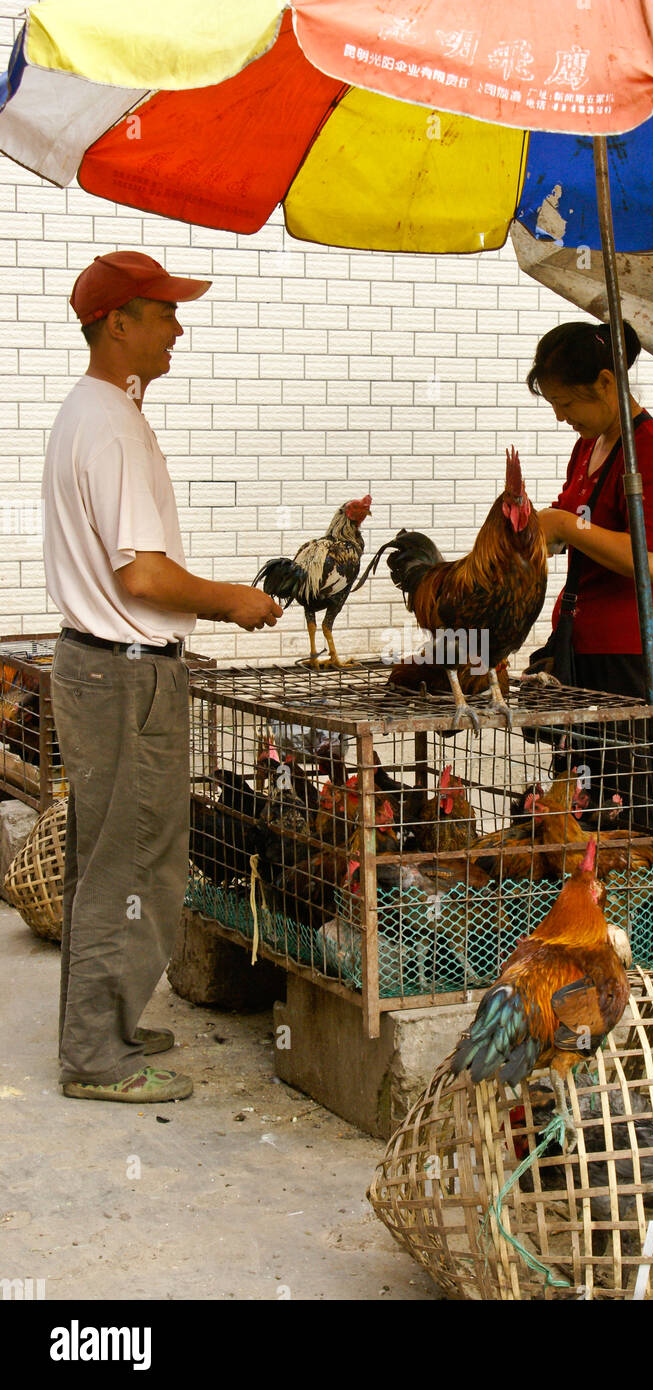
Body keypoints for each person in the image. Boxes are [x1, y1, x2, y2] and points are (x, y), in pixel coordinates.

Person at [43, 251, 282, 1104]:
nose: (178, 326)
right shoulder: (107, 425)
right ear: (119, 324)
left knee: (106, 859)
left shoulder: (99, 412)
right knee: (135, 867)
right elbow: (141, 576)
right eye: (164, 312)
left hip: (101, 669)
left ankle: (104, 1026)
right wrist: (233, 603)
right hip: (127, 676)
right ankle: (97, 1060)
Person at [528, 320, 653, 702]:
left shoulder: (649, 449)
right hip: (576, 644)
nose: (560, 417)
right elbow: (576, 532)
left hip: (629, 653)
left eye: (565, 403)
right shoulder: (588, 445)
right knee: (575, 763)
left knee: (622, 763)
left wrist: (566, 524)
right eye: (553, 405)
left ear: (604, 382)